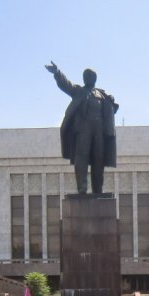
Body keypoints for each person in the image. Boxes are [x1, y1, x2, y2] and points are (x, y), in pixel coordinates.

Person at [45, 61, 118, 195]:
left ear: (94, 79)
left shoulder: (102, 95)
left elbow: (111, 110)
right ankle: (82, 189)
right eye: (86, 76)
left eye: (90, 76)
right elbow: (66, 85)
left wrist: (111, 103)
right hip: (83, 129)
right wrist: (57, 73)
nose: (88, 78)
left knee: (98, 159)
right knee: (81, 158)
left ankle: (98, 190)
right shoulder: (79, 91)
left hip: (99, 130)